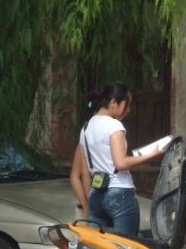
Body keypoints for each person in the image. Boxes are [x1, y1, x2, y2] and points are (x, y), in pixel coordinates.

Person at [70, 83, 163, 237]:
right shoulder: (114, 126)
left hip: (96, 195)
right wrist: (152, 154)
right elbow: (120, 163)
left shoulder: (86, 128)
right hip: (120, 192)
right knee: (126, 247)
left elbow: (85, 171)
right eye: (126, 105)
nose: (128, 110)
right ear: (113, 102)